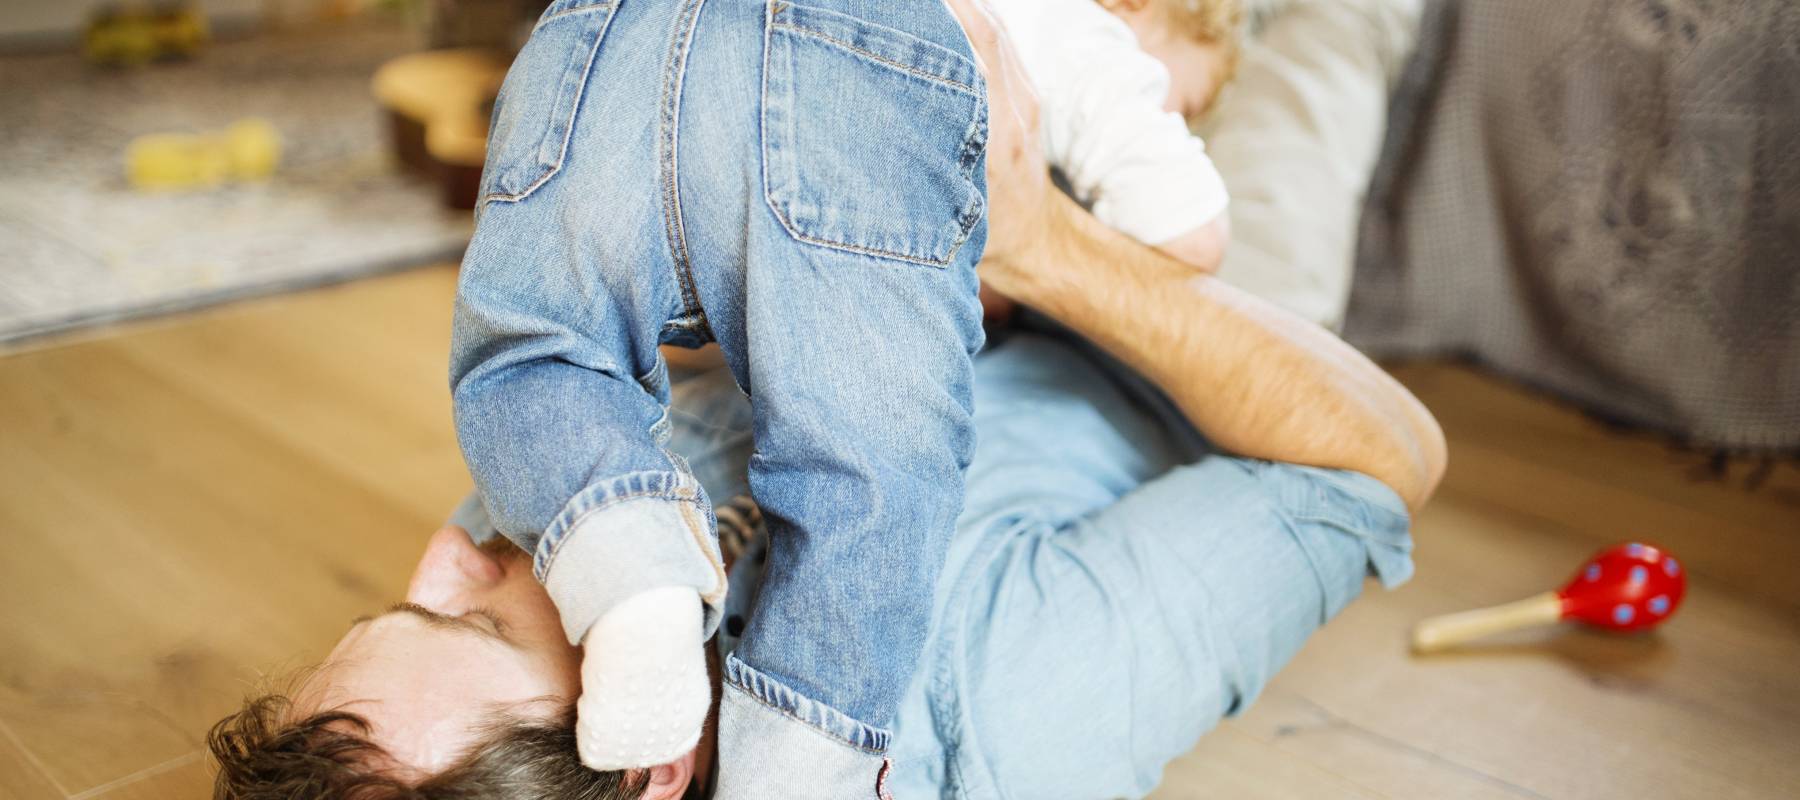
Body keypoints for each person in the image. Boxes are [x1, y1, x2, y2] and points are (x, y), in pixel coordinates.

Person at [206, 1, 1447, 797]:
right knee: (1288, 46)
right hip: (1173, 319)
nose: (449, 546)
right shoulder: (1006, 703)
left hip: (873, 151)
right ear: (658, 762)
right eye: (474, 622)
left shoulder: (545, 527)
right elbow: (1385, 449)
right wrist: (1036, 242)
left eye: (404, 598)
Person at [447, 0, 988, 796]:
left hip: (610, 36)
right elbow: (1189, 230)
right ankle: (791, 777)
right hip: (848, 54)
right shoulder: (1092, 54)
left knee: (542, 355)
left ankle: (634, 575)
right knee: (869, 465)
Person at [985, 0, 1243, 272]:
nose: (1174, 123)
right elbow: (1200, 241)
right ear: (1132, 4)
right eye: (1184, 108)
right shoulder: (1093, 48)